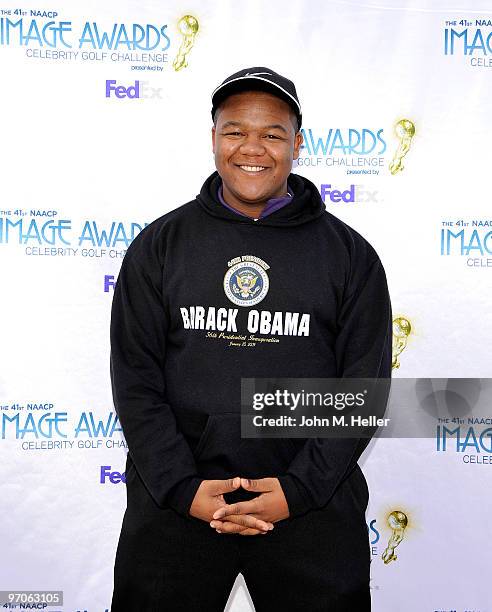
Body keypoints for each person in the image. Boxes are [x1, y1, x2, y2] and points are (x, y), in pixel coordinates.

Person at [109, 66, 392, 612]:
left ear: (298, 144)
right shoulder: (159, 245)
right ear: (213, 139)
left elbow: (362, 392)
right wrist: (182, 488)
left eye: (272, 133)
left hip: (309, 507)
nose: (252, 148)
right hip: (178, 507)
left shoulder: (350, 256)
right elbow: (135, 381)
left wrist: (298, 491)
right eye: (235, 130)